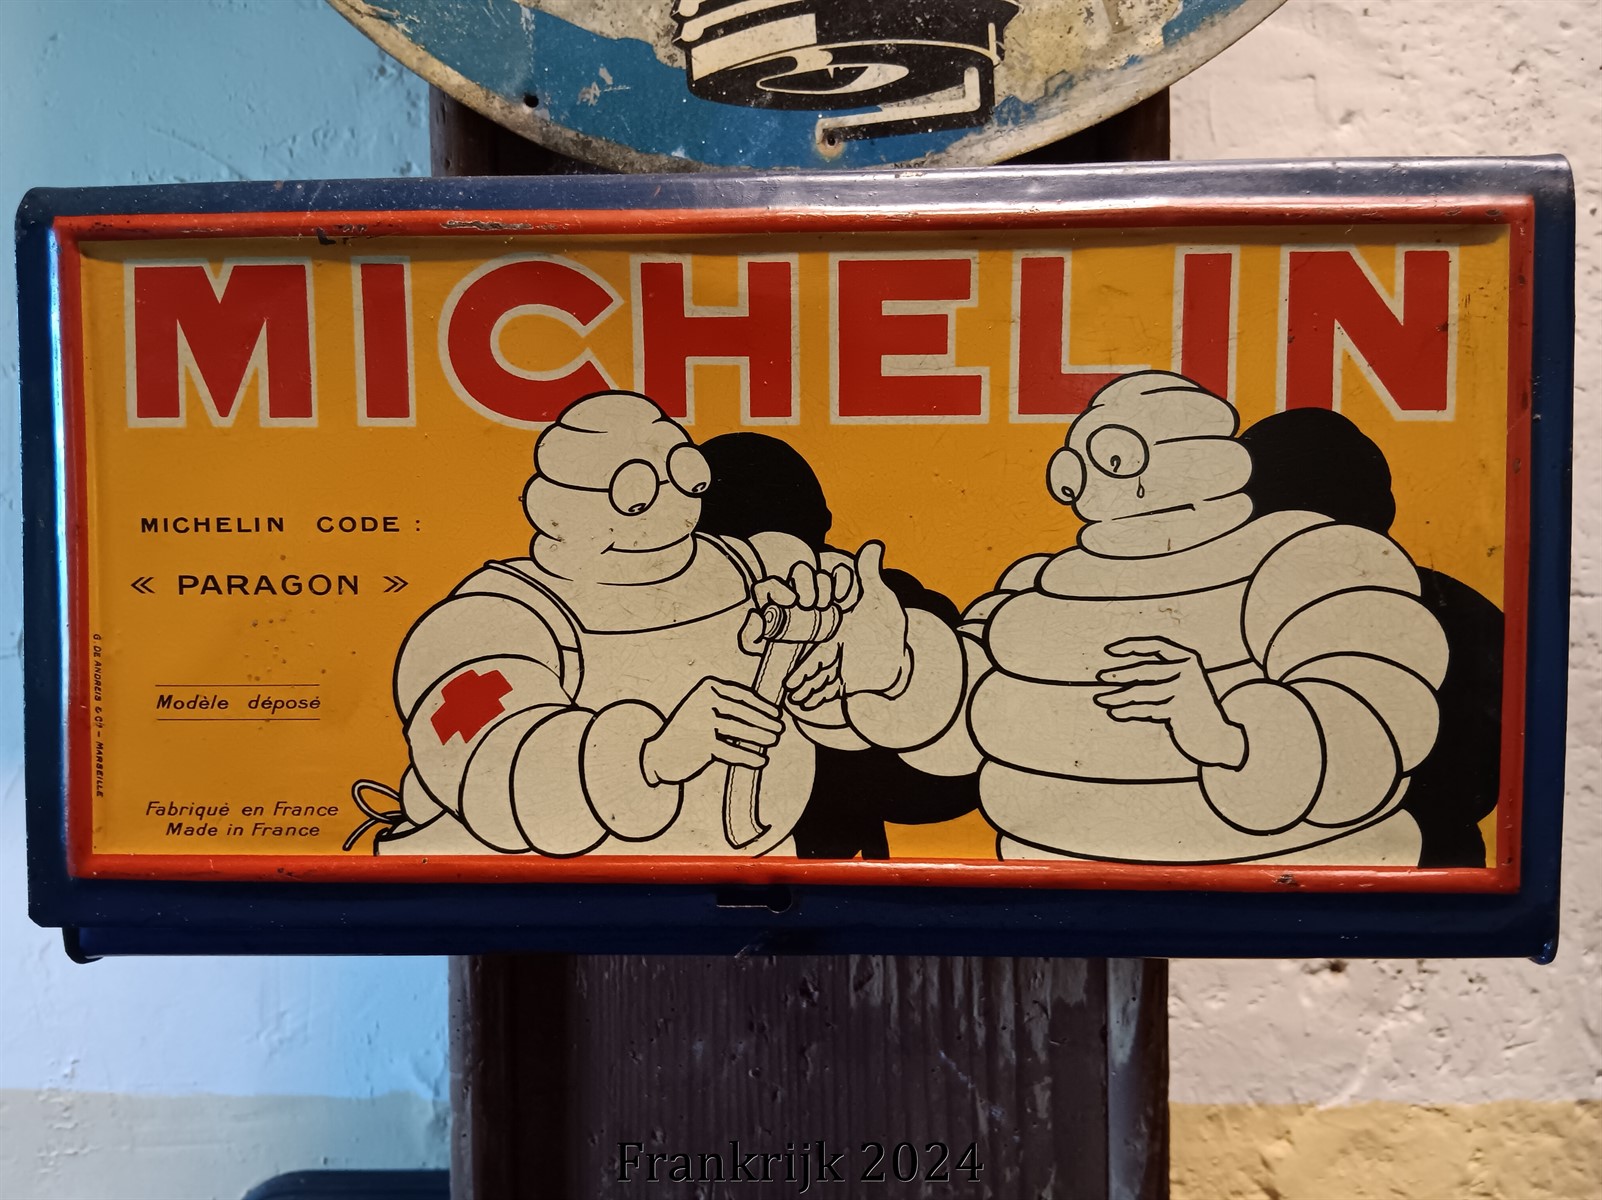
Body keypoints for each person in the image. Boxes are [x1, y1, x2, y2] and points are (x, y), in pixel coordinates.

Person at [793, 371, 1452, 865]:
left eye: (1114, 456)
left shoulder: (1300, 563)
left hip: (1270, 888)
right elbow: (975, 713)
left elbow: (1372, 719)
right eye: (1077, 464)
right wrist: (895, 667)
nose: (1087, 481)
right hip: (1051, 893)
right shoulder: (1038, 591)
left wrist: (1224, 732)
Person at [363, 391, 954, 857]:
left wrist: (875, 674)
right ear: (561, 508)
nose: (671, 497)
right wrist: (650, 756)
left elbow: (940, 733)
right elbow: (488, 758)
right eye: (637, 489)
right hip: (558, 892)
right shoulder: (502, 615)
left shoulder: (757, 569)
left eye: (683, 470)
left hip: (761, 870)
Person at [697, 432, 980, 859]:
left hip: (837, 869)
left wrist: (889, 683)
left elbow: (951, 784)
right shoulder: (655, 623)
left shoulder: (882, 605)